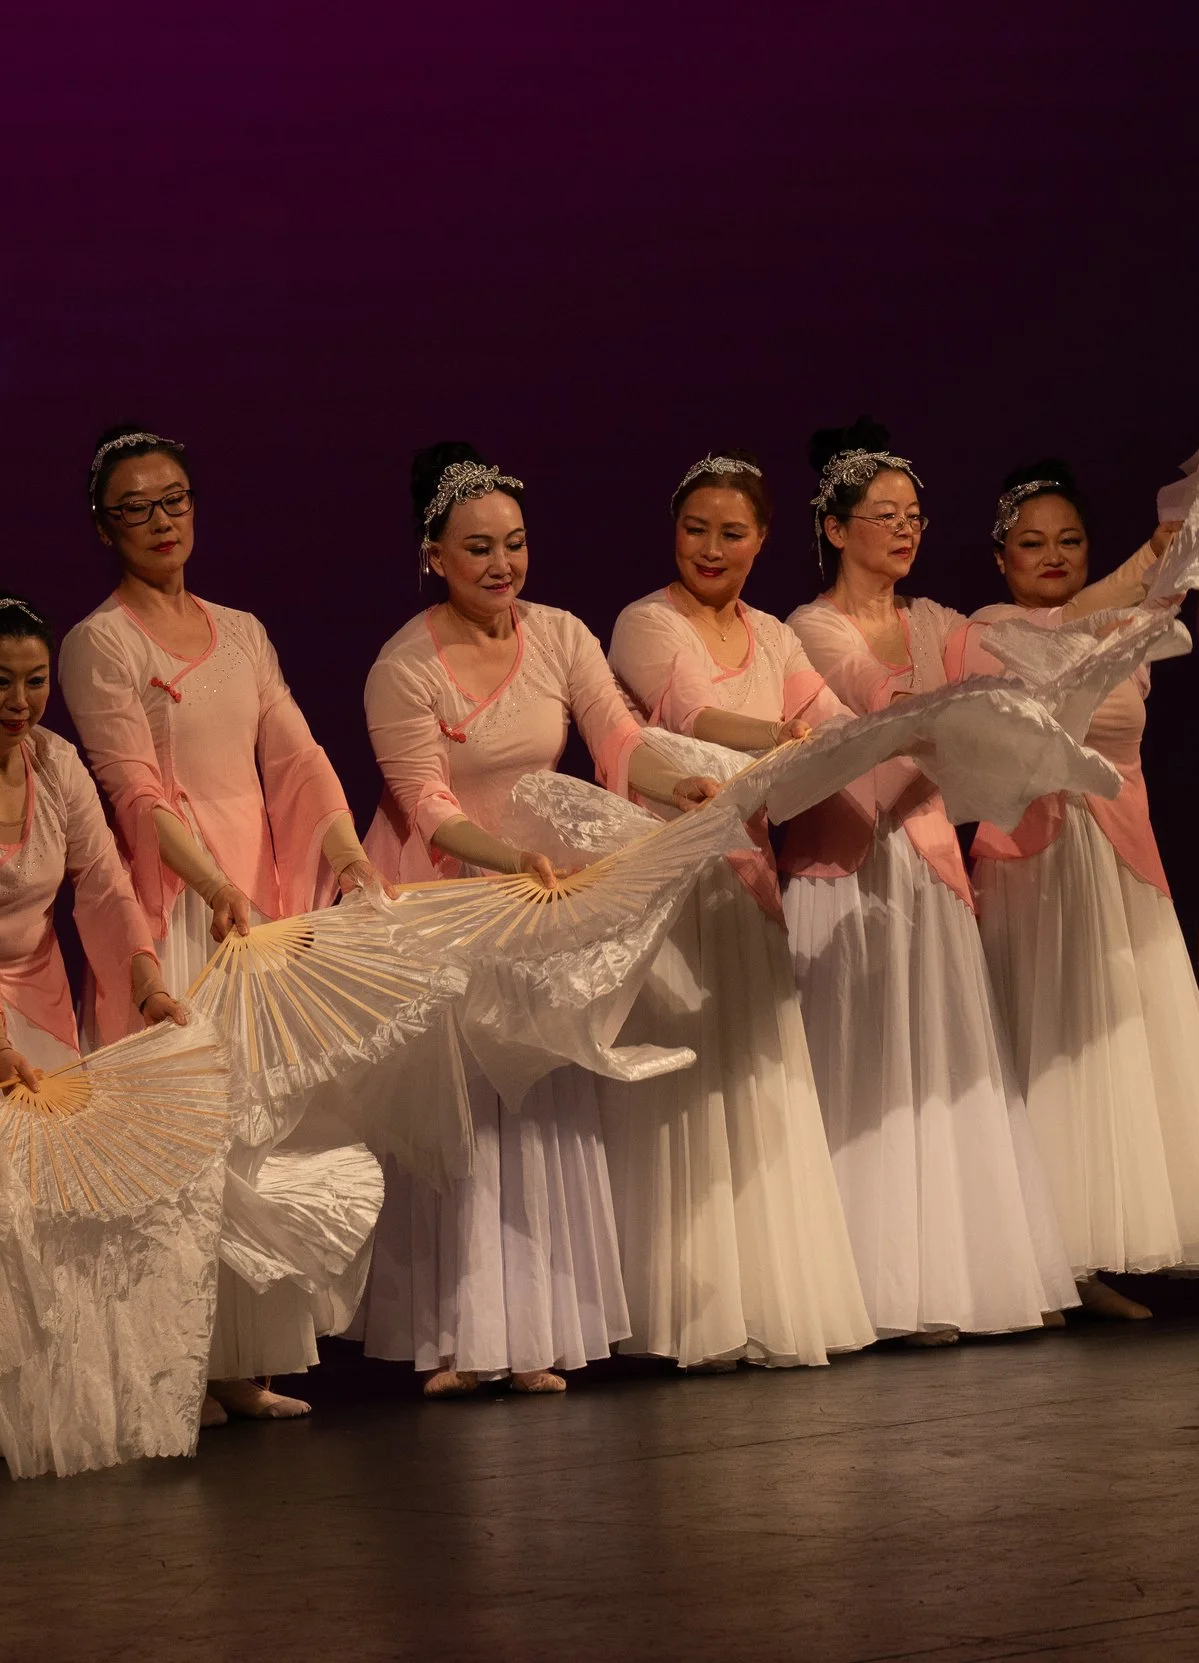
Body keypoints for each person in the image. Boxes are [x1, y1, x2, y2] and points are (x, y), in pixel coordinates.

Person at [358, 441, 721, 1396]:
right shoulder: (403, 668)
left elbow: (615, 734)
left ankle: (534, 1333)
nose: (501, 565)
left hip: (540, 896)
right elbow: (426, 803)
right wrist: (508, 858)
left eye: (514, 544)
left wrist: (676, 783)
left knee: (537, 1105)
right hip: (447, 897)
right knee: (464, 1113)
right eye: (477, 548)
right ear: (432, 553)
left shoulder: (558, 635)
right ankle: (450, 1334)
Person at [59, 426, 383, 1422]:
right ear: (103, 526)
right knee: (181, 1140)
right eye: (136, 508)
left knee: (256, 1134)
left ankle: (241, 1362)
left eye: (174, 500)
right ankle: (171, 1363)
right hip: (180, 908)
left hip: (258, 904)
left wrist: (345, 853)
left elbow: (292, 753)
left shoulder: (240, 629)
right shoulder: (98, 642)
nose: (161, 522)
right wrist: (208, 888)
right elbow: (134, 791)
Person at [0, 587, 206, 1473]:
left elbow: (103, 887)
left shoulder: (56, 763)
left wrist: (145, 986)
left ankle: (49, 1383)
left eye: (34, 681)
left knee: (57, 1210)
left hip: (43, 992)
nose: (21, 701)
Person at [783, 419, 1078, 1342]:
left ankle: (931, 1279)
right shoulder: (811, 628)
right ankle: (852, 1285)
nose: (905, 531)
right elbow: (884, 704)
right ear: (835, 528)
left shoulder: (939, 622)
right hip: (847, 868)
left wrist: (1104, 612)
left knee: (930, 1068)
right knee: (859, 1067)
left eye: (914, 514)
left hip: (927, 863)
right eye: (882, 515)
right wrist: (967, 708)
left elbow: (1015, 659)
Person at [954, 461, 1199, 1315]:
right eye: (1031, 544)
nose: (1052, 556)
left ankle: (1130, 1242)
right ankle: (1059, 1263)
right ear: (1001, 559)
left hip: (1122, 854)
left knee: (1127, 1050)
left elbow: (1189, 552)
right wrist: (1143, 559)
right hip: (1033, 864)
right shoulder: (990, 628)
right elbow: (1060, 630)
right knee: (1047, 1049)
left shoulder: (1129, 624)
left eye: (1069, 541)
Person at [600, 450, 874, 1369]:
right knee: (685, 1081)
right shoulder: (645, 622)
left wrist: (895, 728)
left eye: (731, 532)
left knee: (751, 1078)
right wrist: (786, 739)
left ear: (761, 540)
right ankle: (683, 1313)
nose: (710, 547)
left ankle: (762, 1299)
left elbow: (835, 718)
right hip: (676, 877)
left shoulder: (774, 634)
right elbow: (693, 714)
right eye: (695, 528)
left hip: (746, 871)